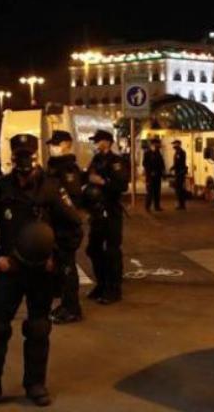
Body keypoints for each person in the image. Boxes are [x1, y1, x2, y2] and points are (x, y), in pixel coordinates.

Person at [0, 134, 85, 410]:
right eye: (19, 154)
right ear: (12, 156)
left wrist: (57, 257)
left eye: (28, 154)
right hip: (10, 269)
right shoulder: (1, 187)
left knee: (39, 328)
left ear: (35, 155)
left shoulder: (52, 187)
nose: (24, 160)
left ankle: (35, 383)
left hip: (42, 271)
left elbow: (74, 227)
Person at [44, 130, 85, 325]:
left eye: (57, 144)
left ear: (67, 144)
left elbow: (72, 199)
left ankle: (72, 308)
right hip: (55, 224)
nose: (52, 147)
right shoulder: (54, 167)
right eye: (52, 144)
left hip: (66, 226)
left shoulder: (68, 169)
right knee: (61, 266)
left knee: (68, 267)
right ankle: (65, 303)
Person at [84, 130, 129, 305]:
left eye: (99, 141)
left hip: (111, 211)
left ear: (108, 142)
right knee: (93, 249)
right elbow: (87, 178)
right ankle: (101, 284)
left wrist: (102, 182)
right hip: (96, 212)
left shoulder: (116, 161)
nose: (96, 143)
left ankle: (114, 288)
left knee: (112, 251)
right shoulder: (96, 160)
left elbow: (121, 186)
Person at [142, 137, 165, 212]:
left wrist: (162, 171)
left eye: (158, 144)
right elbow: (145, 163)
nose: (157, 145)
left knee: (157, 191)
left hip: (157, 175)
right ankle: (147, 207)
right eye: (156, 144)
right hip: (150, 176)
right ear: (152, 144)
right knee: (150, 192)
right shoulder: (147, 153)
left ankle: (157, 206)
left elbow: (161, 163)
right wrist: (149, 172)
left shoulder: (158, 152)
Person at [170, 139, 188, 210]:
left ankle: (181, 205)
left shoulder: (180, 152)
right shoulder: (177, 152)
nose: (173, 146)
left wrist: (173, 167)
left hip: (180, 173)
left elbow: (179, 163)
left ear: (178, 144)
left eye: (175, 144)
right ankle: (181, 204)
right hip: (178, 172)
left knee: (179, 189)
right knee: (178, 189)